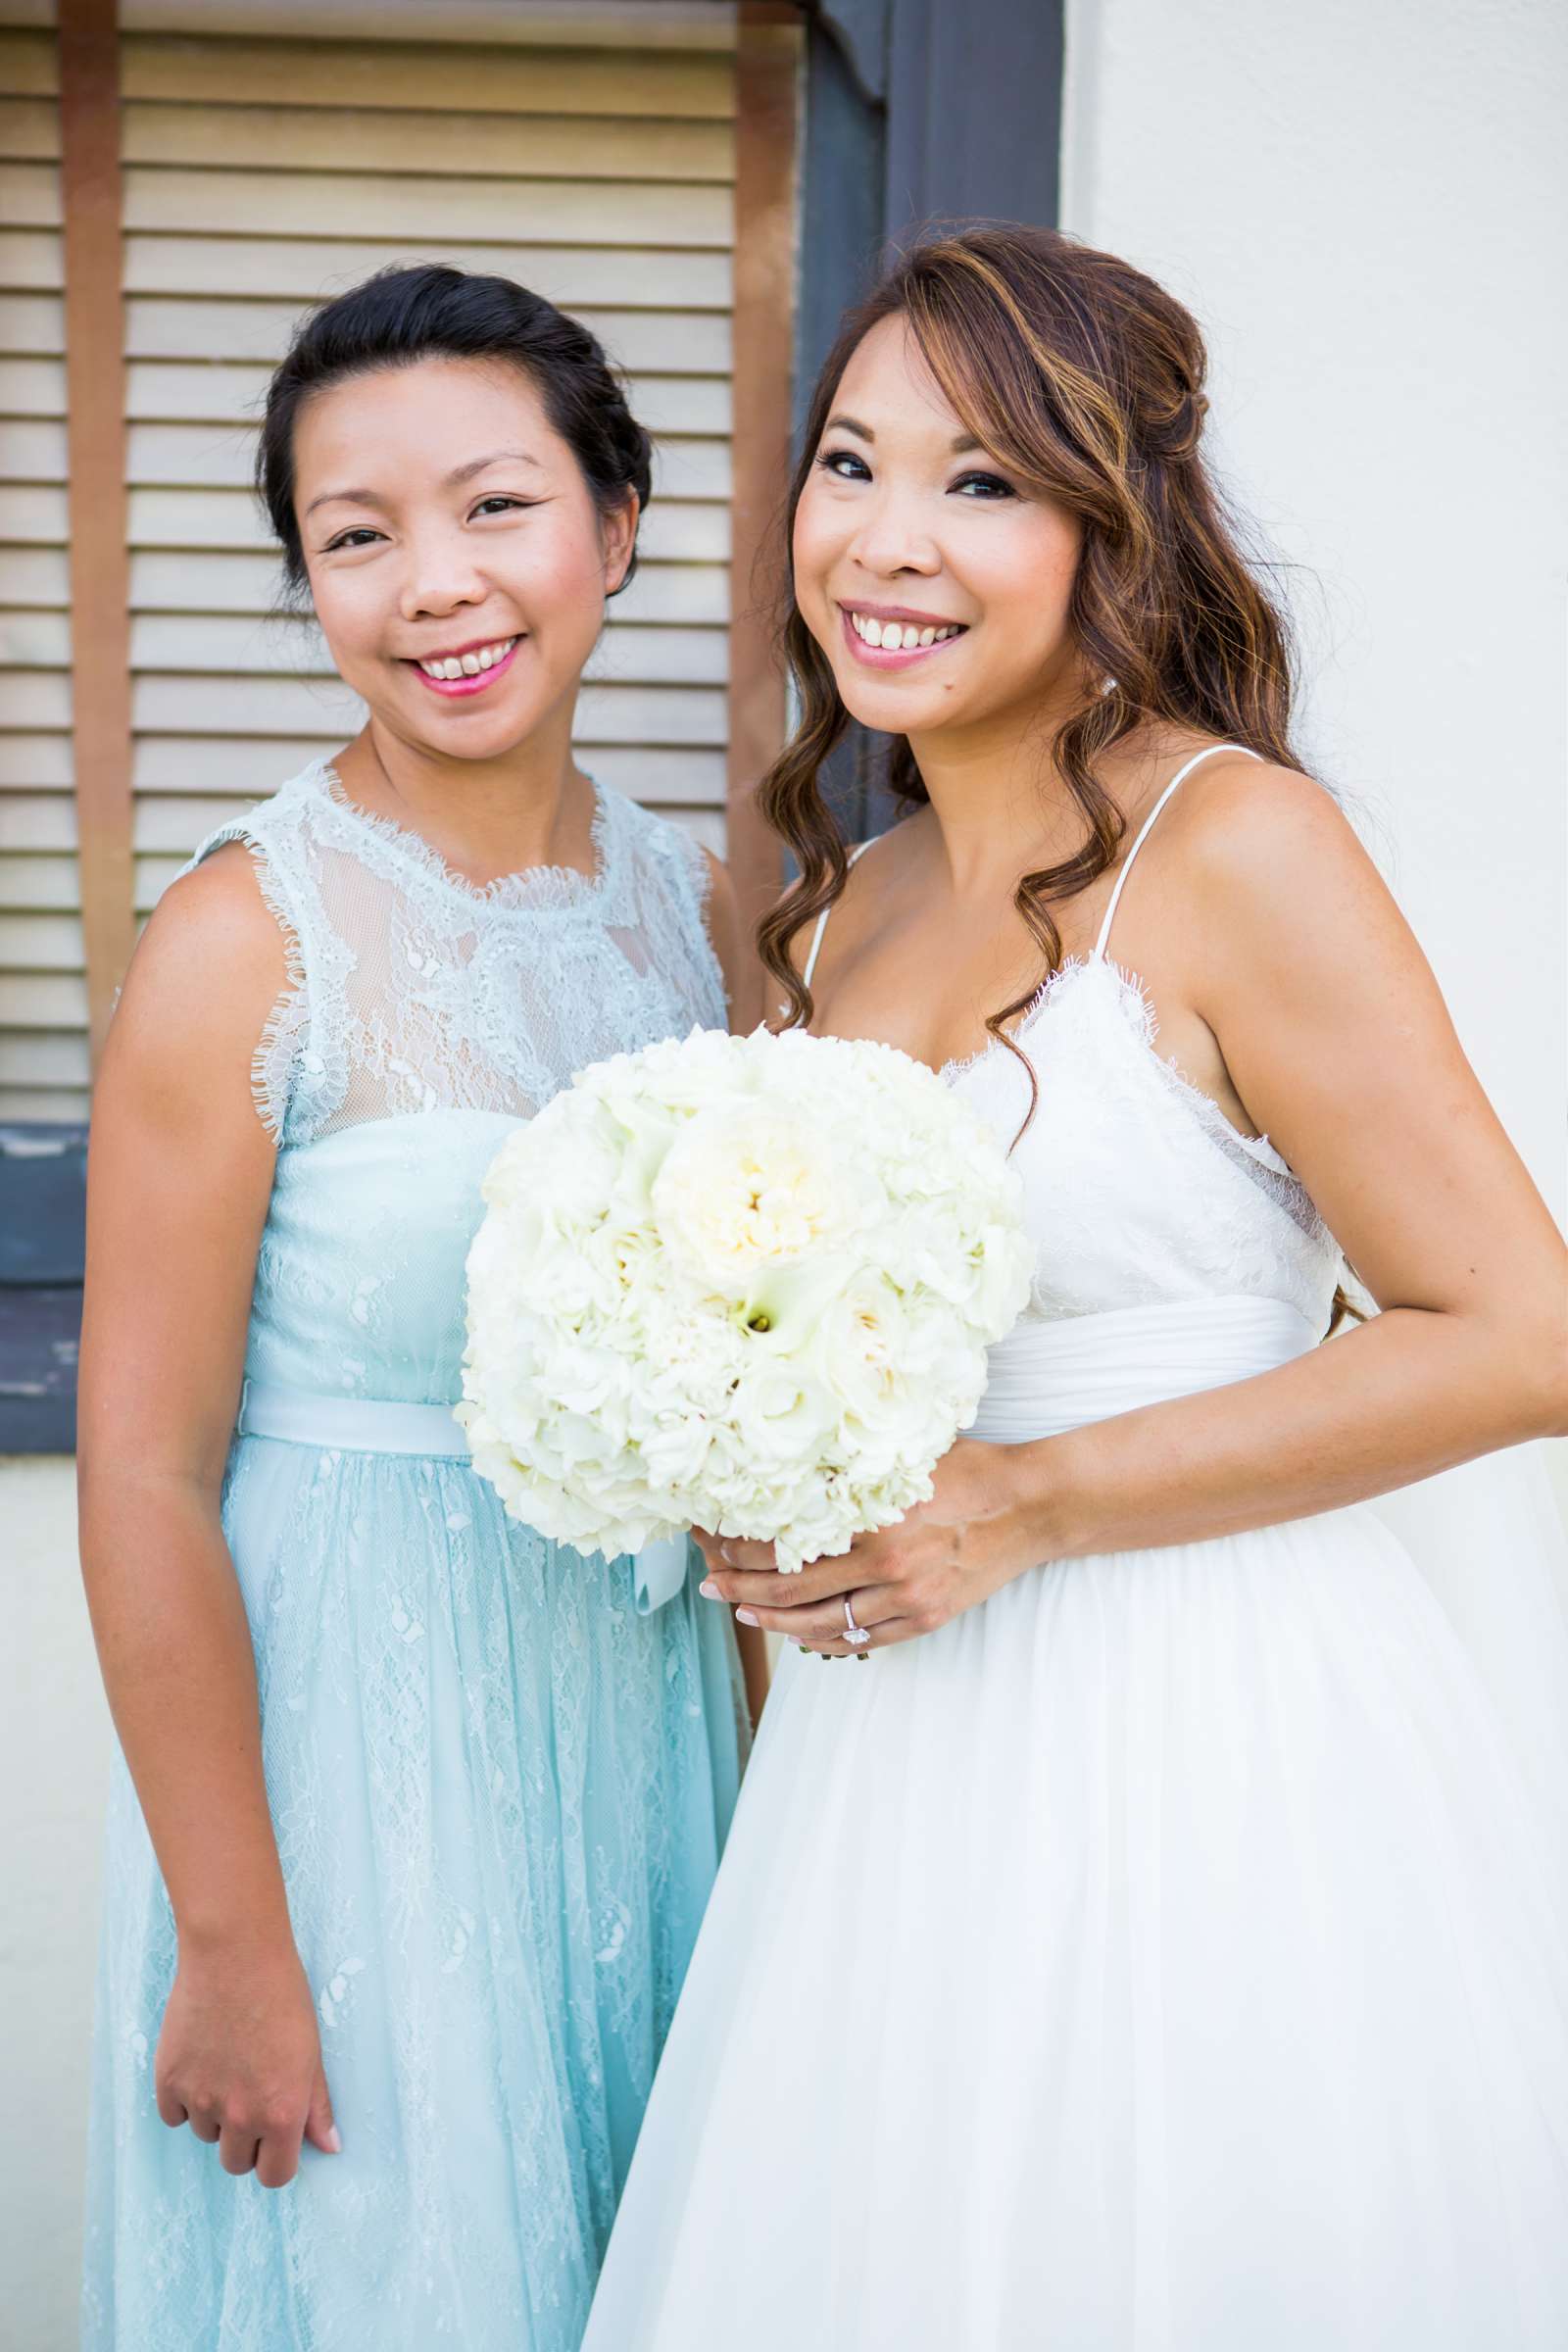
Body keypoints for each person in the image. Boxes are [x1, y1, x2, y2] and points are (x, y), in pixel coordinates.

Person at [583, 226, 1568, 2349]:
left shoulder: (1229, 846)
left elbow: (1516, 1335)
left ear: (1112, 529)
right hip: (892, 1777)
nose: (882, 541)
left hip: (1208, 1741)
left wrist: (1025, 1503)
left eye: (980, 481)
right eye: (847, 465)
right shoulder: (839, 910)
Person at [79, 263, 764, 2350]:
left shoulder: (688, 904)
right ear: (308, 585)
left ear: (614, 527)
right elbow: (142, 1469)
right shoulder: (241, 932)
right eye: (354, 536)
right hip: (357, 1770)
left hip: (634, 1735)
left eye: (492, 506)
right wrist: (234, 1939)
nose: (431, 585)